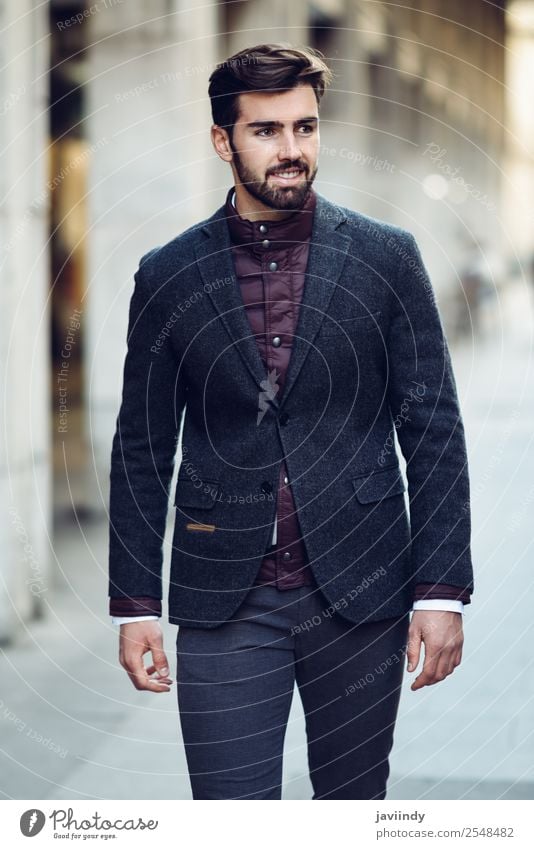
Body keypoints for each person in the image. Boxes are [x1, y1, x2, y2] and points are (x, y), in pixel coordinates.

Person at [108, 43, 474, 800]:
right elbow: (143, 445)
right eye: (267, 131)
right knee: (232, 813)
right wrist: (135, 603)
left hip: (361, 589)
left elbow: (433, 427)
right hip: (224, 599)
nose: (292, 151)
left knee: (349, 809)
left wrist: (441, 591)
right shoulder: (168, 273)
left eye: (305, 128)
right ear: (223, 140)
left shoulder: (388, 258)